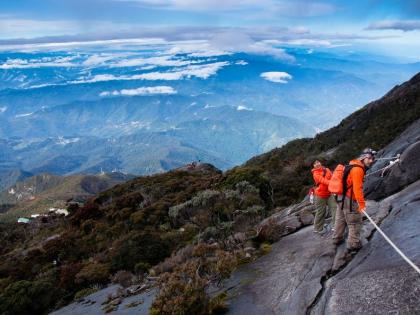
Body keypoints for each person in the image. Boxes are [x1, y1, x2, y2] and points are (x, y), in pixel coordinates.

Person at [332, 148, 376, 251]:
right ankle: (354, 243)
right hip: (348, 198)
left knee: (340, 218)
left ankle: (337, 238)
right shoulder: (358, 169)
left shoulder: (352, 164)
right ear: (363, 158)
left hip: (340, 197)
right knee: (355, 221)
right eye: (369, 158)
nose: (371, 161)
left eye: (372, 159)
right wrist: (361, 205)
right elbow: (357, 189)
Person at [311, 159, 337, 234]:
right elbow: (323, 181)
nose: (317, 164)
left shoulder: (327, 170)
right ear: (313, 166)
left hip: (329, 193)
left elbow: (332, 177)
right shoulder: (315, 174)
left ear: (320, 162)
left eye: (318, 162)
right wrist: (333, 183)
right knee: (321, 212)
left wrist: (336, 182)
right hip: (320, 195)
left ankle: (335, 226)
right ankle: (317, 228)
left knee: (335, 208)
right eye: (315, 163)